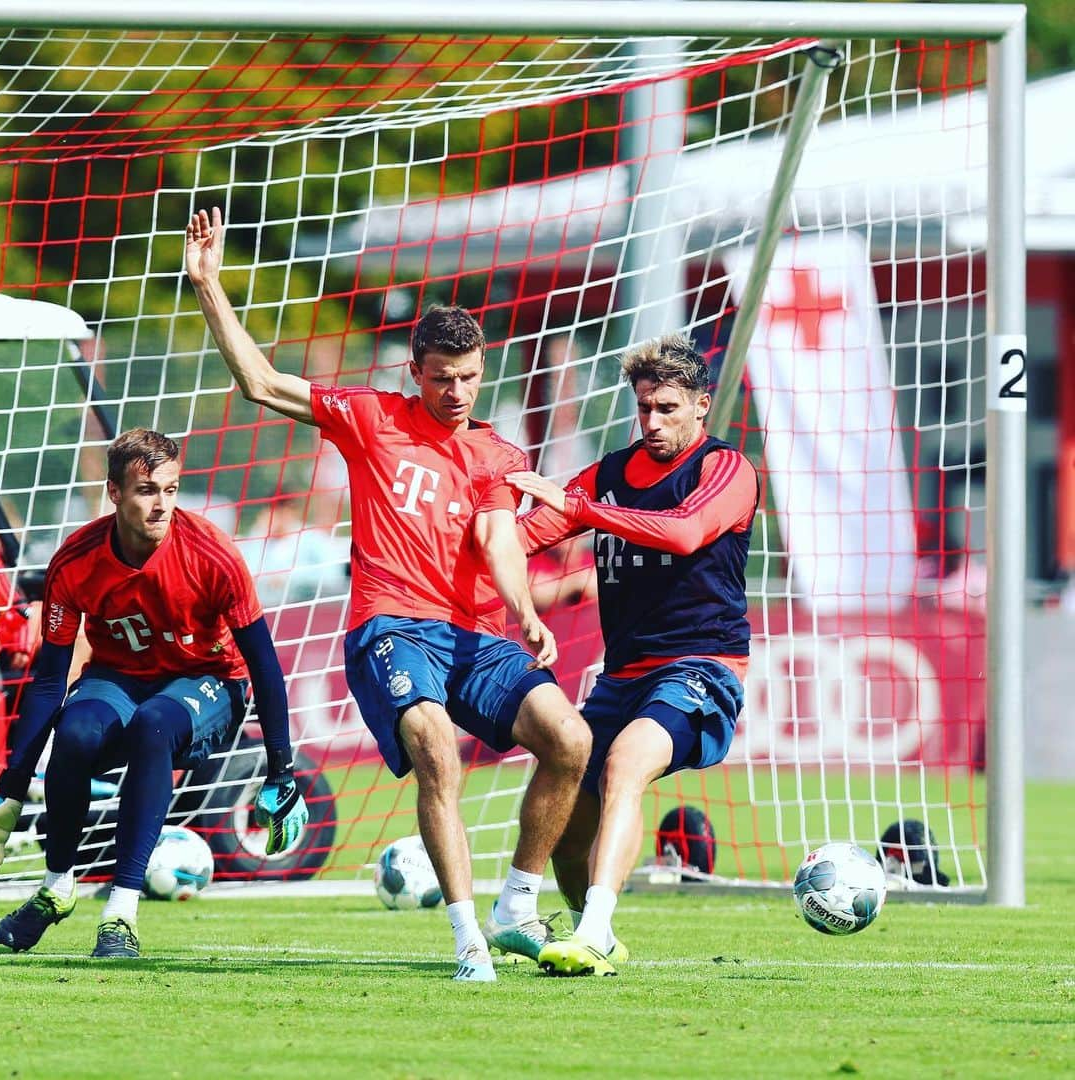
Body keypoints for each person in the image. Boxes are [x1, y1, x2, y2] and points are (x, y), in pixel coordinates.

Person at [185, 207, 591, 982]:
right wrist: (209, 286)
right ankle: (469, 938)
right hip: (392, 628)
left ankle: (516, 905)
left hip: (471, 634)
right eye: (442, 379)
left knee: (570, 742)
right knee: (438, 751)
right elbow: (260, 382)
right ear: (416, 372)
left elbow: (501, 539)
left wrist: (529, 611)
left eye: (470, 377)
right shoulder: (373, 418)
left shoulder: (496, 452)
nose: (457, 392)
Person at [0, 429, 308, 958]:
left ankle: (121, 912)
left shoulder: (213, 554)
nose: (161, 505)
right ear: (114, 492)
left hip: (209, 683)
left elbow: (263, 666)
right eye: (146, 490)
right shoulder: (74, 561)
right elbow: (50, 682)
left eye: (170, 488)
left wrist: (281, 770)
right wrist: (11, 786)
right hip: (120, 678)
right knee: (74, 730)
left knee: (154, 725)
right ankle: (56, 888)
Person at [508, 332, 759, 976]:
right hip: (624, 675)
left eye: (667, 408)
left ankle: (594, 931)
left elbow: (681, 532)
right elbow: (525, 536)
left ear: (702, 405)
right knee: (566, 814)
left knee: (624, 765)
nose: (652, 421)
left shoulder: (725, 469)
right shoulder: (609, 475)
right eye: (643, 407)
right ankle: (587, 932)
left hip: (701, 666)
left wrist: (584, 509)